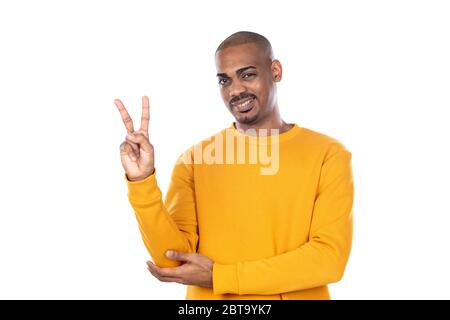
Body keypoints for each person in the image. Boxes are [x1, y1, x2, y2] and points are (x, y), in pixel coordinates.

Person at [114, 31, 354, 300]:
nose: (235, 90)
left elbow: (328, 259)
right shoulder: (194, 160)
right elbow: (174, 262)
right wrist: (141, 182)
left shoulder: (327, 154)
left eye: (247, 74)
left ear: (275, 71)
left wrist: (222, 277)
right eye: (224, 80)